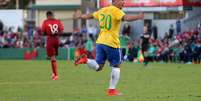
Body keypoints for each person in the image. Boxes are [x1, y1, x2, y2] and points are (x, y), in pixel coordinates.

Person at [74, 0, 144, 96]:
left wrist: (80, 16)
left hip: (100, 42)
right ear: (115, 1)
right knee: (117, 65)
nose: (123, 3)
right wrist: (138, 17)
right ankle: (112, 90)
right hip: (112, 43)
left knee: (99, 66)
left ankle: (86, 60)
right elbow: (126, 18)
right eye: (122, 1)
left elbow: (89, 16)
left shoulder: (103, 10)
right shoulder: (116, 10)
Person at [41, 11, 64, 80]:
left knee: (52, 57)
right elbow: (62, 31)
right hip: (57, 39)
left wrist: (47, 33)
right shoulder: (58, 21)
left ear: (47, 16)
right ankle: (54, 73)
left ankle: (56, 75)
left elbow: (42, 32)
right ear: (52, 15)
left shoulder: (45, 22)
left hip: (50, 39)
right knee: (54, 57)